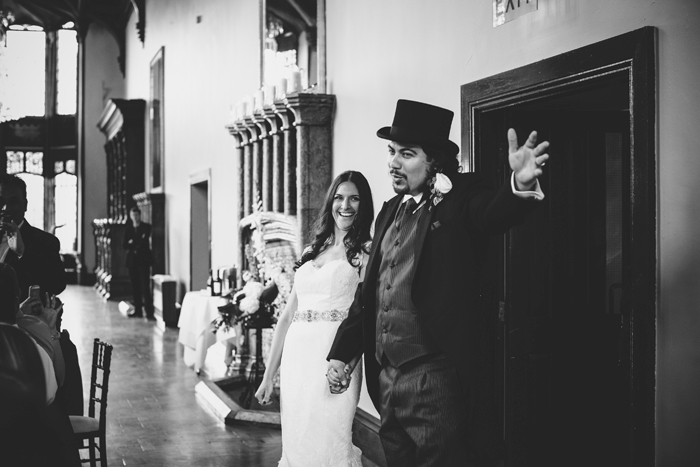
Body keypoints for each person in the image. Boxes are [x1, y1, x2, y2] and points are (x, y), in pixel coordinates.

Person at [326, 99, 550, 467]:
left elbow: (493, 213)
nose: (394, 163)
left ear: (434, 162)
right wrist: (342, 352)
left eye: (407, 154)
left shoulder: (460, 200)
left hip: (434, 378)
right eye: (392, 152)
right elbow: (371, 292)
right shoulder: (388, 211)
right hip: (386, 376)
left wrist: (519, 187)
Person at [255, 171, 374, 467]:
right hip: (298, 359)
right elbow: (286, 318)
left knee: (330, 440)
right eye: (339, 197)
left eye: (354, 198)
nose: (345, 205)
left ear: (364, 205)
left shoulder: (365, 252)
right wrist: (269, 376)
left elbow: (364, 317)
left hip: (333, 357)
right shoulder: (311, 251)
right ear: (330, 202)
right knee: (298, 441)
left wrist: (347, 366)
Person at [0, 174, 67, 302]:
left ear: (25, 205)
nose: (5, 208)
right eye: (0, 201)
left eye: (13, 202)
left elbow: (57, 285)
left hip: (22, 320)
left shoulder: (46, 242)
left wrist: (22, 253)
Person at [123, 206, 155, 319]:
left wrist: (133, 242)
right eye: (133, 215)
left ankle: (149, 311)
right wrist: (135, 241)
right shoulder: (128, 229)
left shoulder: (146, 227)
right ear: (130, 216)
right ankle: (138, 310)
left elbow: (142, 242)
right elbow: (125, 244)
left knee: (145, 286)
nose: (135, 217)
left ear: (139, 215)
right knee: (134, 286)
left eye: (136, 215)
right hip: (132, 261)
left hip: (143, 260)